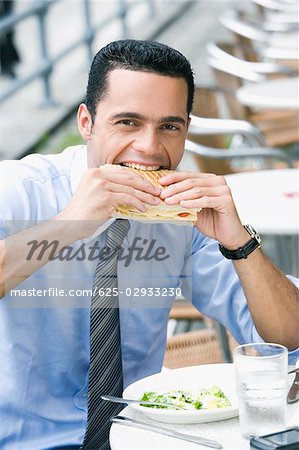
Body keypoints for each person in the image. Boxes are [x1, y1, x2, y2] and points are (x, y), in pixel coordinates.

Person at [0, 39, 298, 449]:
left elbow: (288, 337)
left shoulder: (185, 212)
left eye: (169, 126)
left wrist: (240, 242)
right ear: (86, 122)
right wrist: (71, 224)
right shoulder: (19, 190)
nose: (150, 148)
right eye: (127, 122)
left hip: (139, 437)